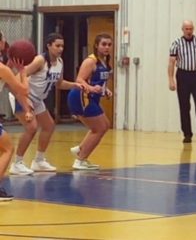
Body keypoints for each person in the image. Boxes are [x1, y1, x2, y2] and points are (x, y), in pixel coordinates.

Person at [9, 33, 84, 175]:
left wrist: (75, 85)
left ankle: (39, 160)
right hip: (23, 97)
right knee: (31, 128)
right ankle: (17, 163)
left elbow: (59, 84)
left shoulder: (60, 62)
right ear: (49, 46)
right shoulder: (39, 60)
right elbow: (17, 78)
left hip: (37, 100)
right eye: (57, 45)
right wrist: (25, 103)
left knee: (49, 126)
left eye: (62, 46)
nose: (60, 48)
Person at [67, 33, 113, 170]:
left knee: (105, 125)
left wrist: (106, 90)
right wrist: (92, 88)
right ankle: (80, 160)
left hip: (91, 98)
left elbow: (100, 81)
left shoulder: (105, 62)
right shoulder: (90, 61)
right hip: (81, 97)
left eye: (109, 44)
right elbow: (79, 80)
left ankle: (80, 149)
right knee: (99, 128)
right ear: (96, 45)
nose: (107, 47)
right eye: (104, 44)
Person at [0, 32, 33, 199]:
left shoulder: (4, 67)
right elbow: (24, 90)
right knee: (7, 149)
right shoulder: (2, 69)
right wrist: (23, 72)